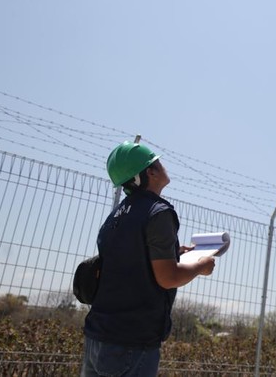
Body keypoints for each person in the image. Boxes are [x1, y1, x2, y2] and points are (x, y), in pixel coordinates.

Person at [81, 141, 215, 377]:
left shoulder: (115, 217)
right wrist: (199, 266)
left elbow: (132, 263)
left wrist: (176, 254)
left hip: (97, 339)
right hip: (131, 344)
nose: (162, 166)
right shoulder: (159, 212)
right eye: (157, 162)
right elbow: (167, 278)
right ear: (150, 172)